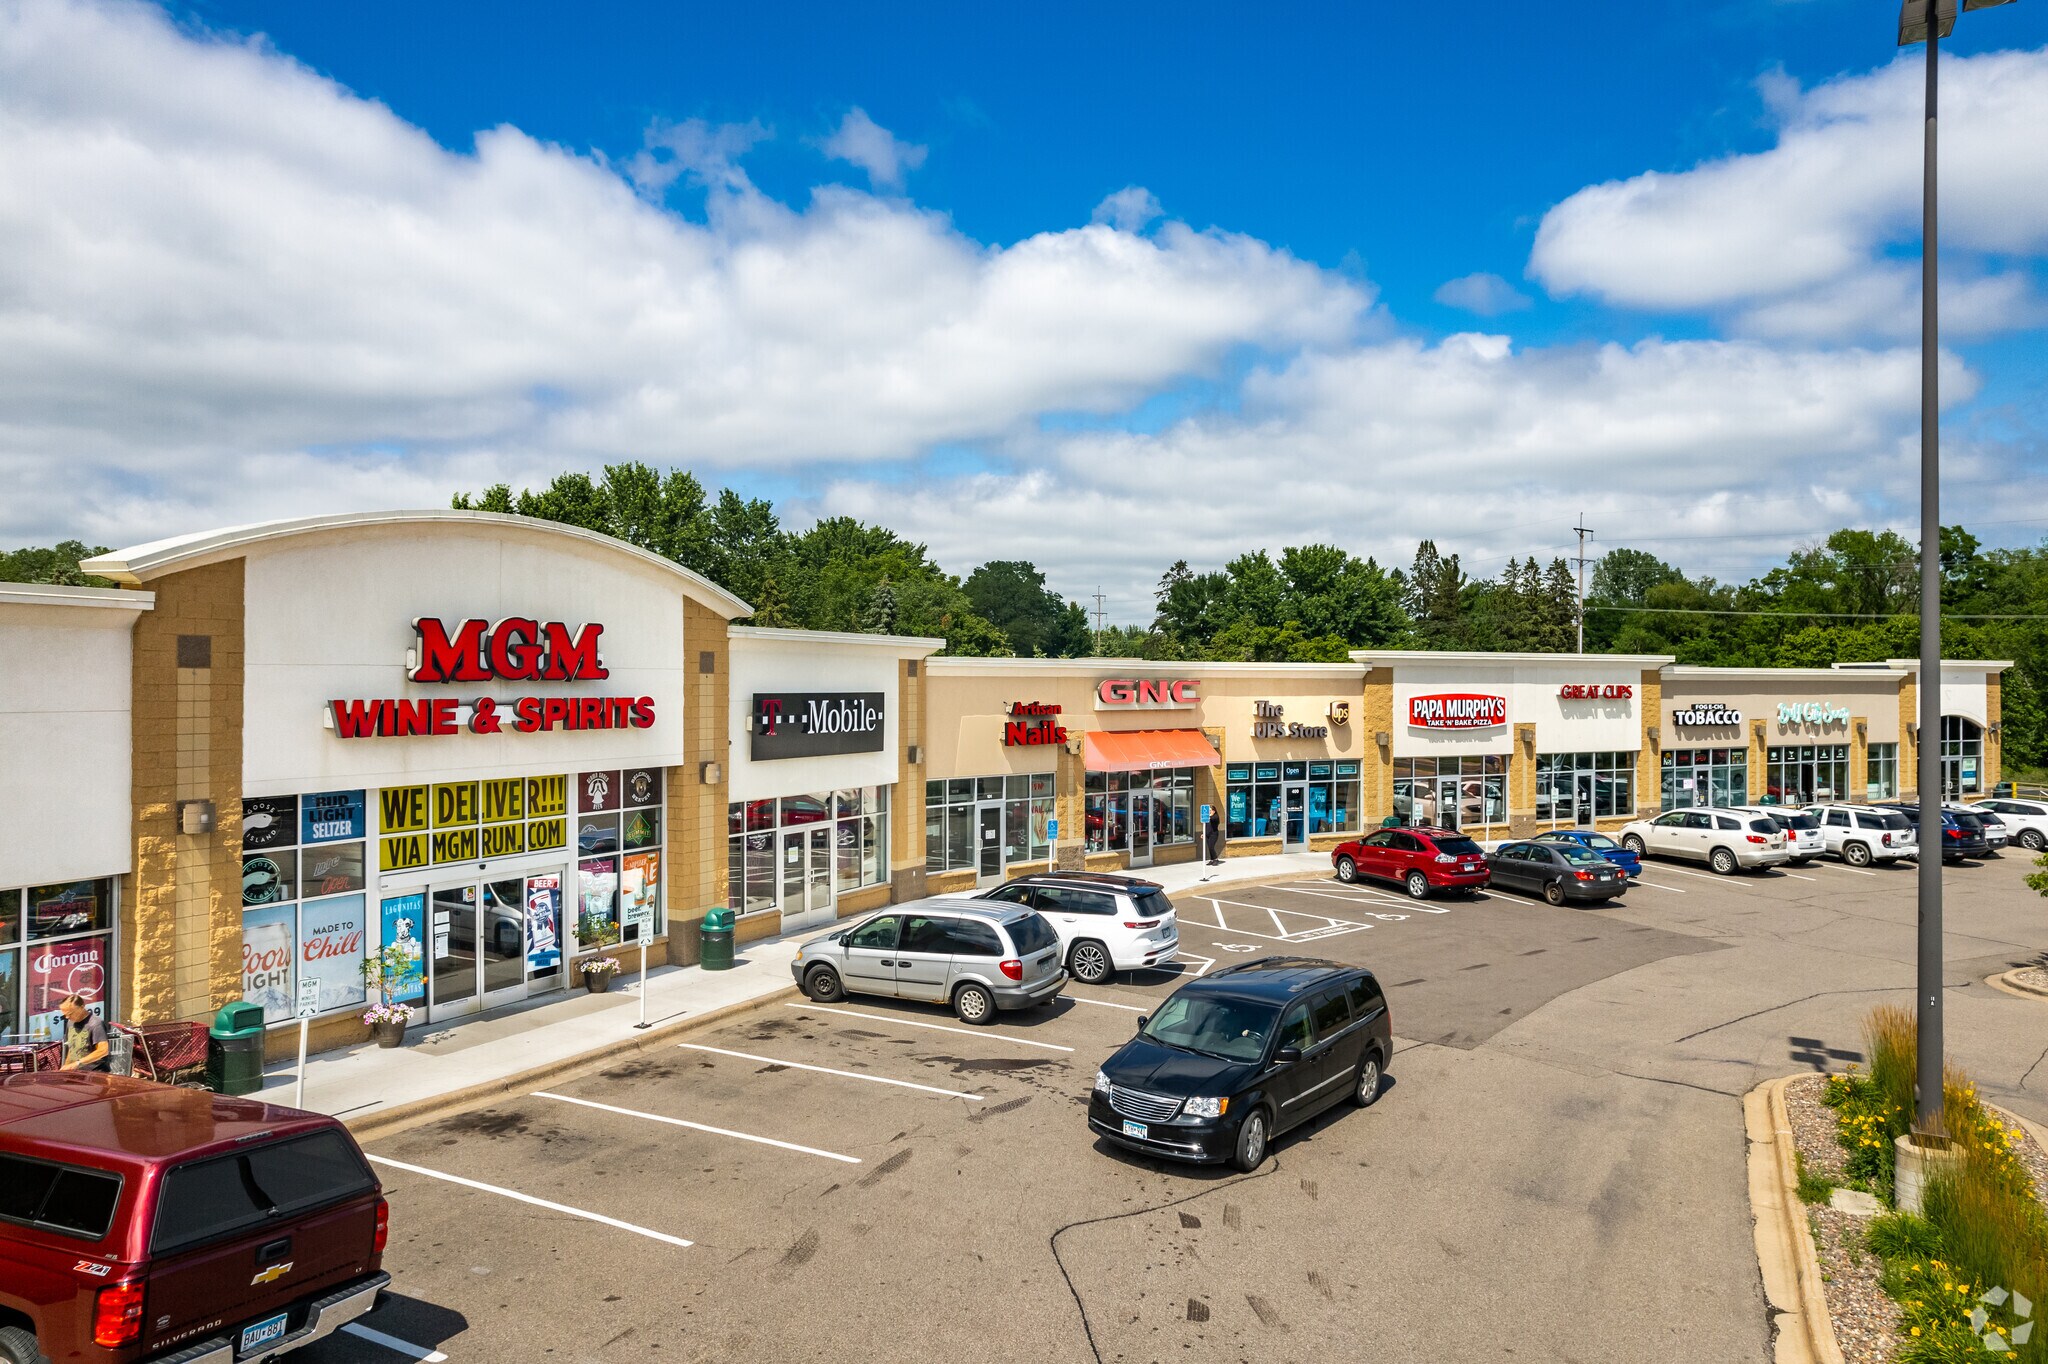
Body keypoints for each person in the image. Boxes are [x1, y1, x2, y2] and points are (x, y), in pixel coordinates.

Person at [58, 994, 110, 1072]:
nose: (67, 1017)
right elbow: (72, 1049)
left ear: (82, 1007)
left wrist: (77, 1063)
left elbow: (103, 1050)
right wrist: (67, 1066)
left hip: (96, 1073)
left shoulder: (96, 1023)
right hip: (77, 1073)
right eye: (65, 1015)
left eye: (70, 1013)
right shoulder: (70, 1022)